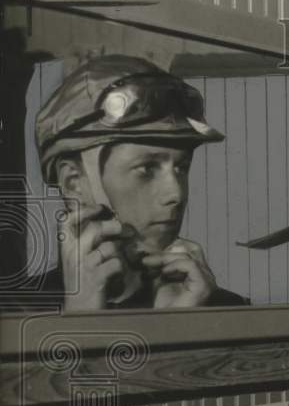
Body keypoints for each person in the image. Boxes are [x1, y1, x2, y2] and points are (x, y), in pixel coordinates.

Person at [31, 54, 247, 310]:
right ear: (74, 182)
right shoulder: (14, 313)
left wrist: (180, 324)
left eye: (181, 167)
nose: (176, 193)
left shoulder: (216, 306)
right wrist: (80, 318)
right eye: (147, 168)